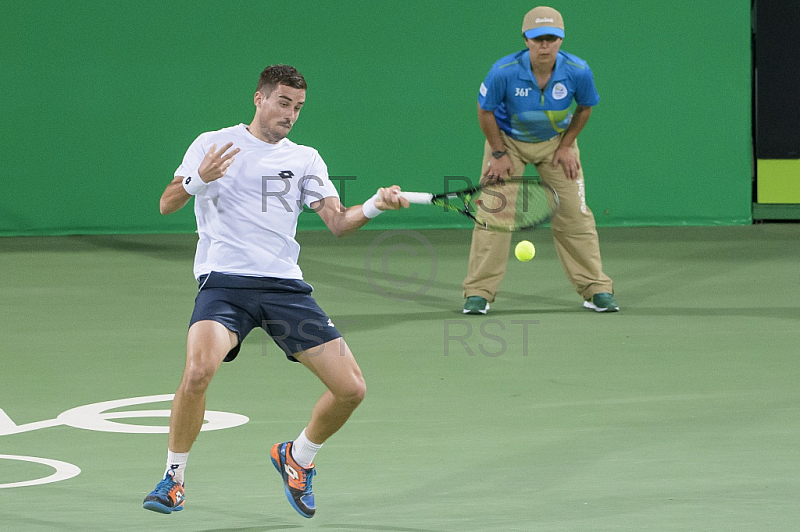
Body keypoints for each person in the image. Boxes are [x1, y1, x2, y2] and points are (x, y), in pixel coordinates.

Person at [142, 64, 409, 518]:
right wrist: (198, 178)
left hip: (283, 286)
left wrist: (376, 205)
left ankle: (298, 457)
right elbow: (168, 203)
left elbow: (339, 223)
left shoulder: (306, 158)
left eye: (298, 107)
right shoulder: (212, 143)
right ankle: (174, 478)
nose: (291, 114)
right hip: (223, 282)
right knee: (198, 371)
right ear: (259, 99)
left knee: (351, 389)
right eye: (284, 103)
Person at [462, 6, 618, 314]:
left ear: (561, 40)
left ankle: (595, 288)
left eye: (551, 38)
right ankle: (478, 292)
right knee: (495, 215)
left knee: (576, 215)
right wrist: (497, 152)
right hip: (507, 144)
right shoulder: (503, 71)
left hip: (555, 144)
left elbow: (585, 107)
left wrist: (567, 145)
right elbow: (485, 110)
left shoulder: (578, 70)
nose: (544, 45)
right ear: (526, 40)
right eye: (537, 39)